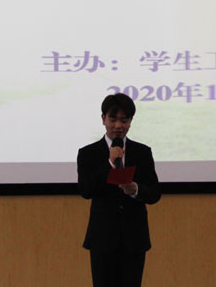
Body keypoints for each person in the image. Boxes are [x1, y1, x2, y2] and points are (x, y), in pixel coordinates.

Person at [77, 93, 161, 287]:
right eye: (113, 119)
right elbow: (86, 190)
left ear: (130, 122)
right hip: (102, 238)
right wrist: (109, 162)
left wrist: (135, 190)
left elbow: (154, 193)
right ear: (103, 119)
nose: (118, 126)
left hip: (134, 239)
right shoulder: (88, 153)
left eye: (124, 121)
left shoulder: (142, 152)